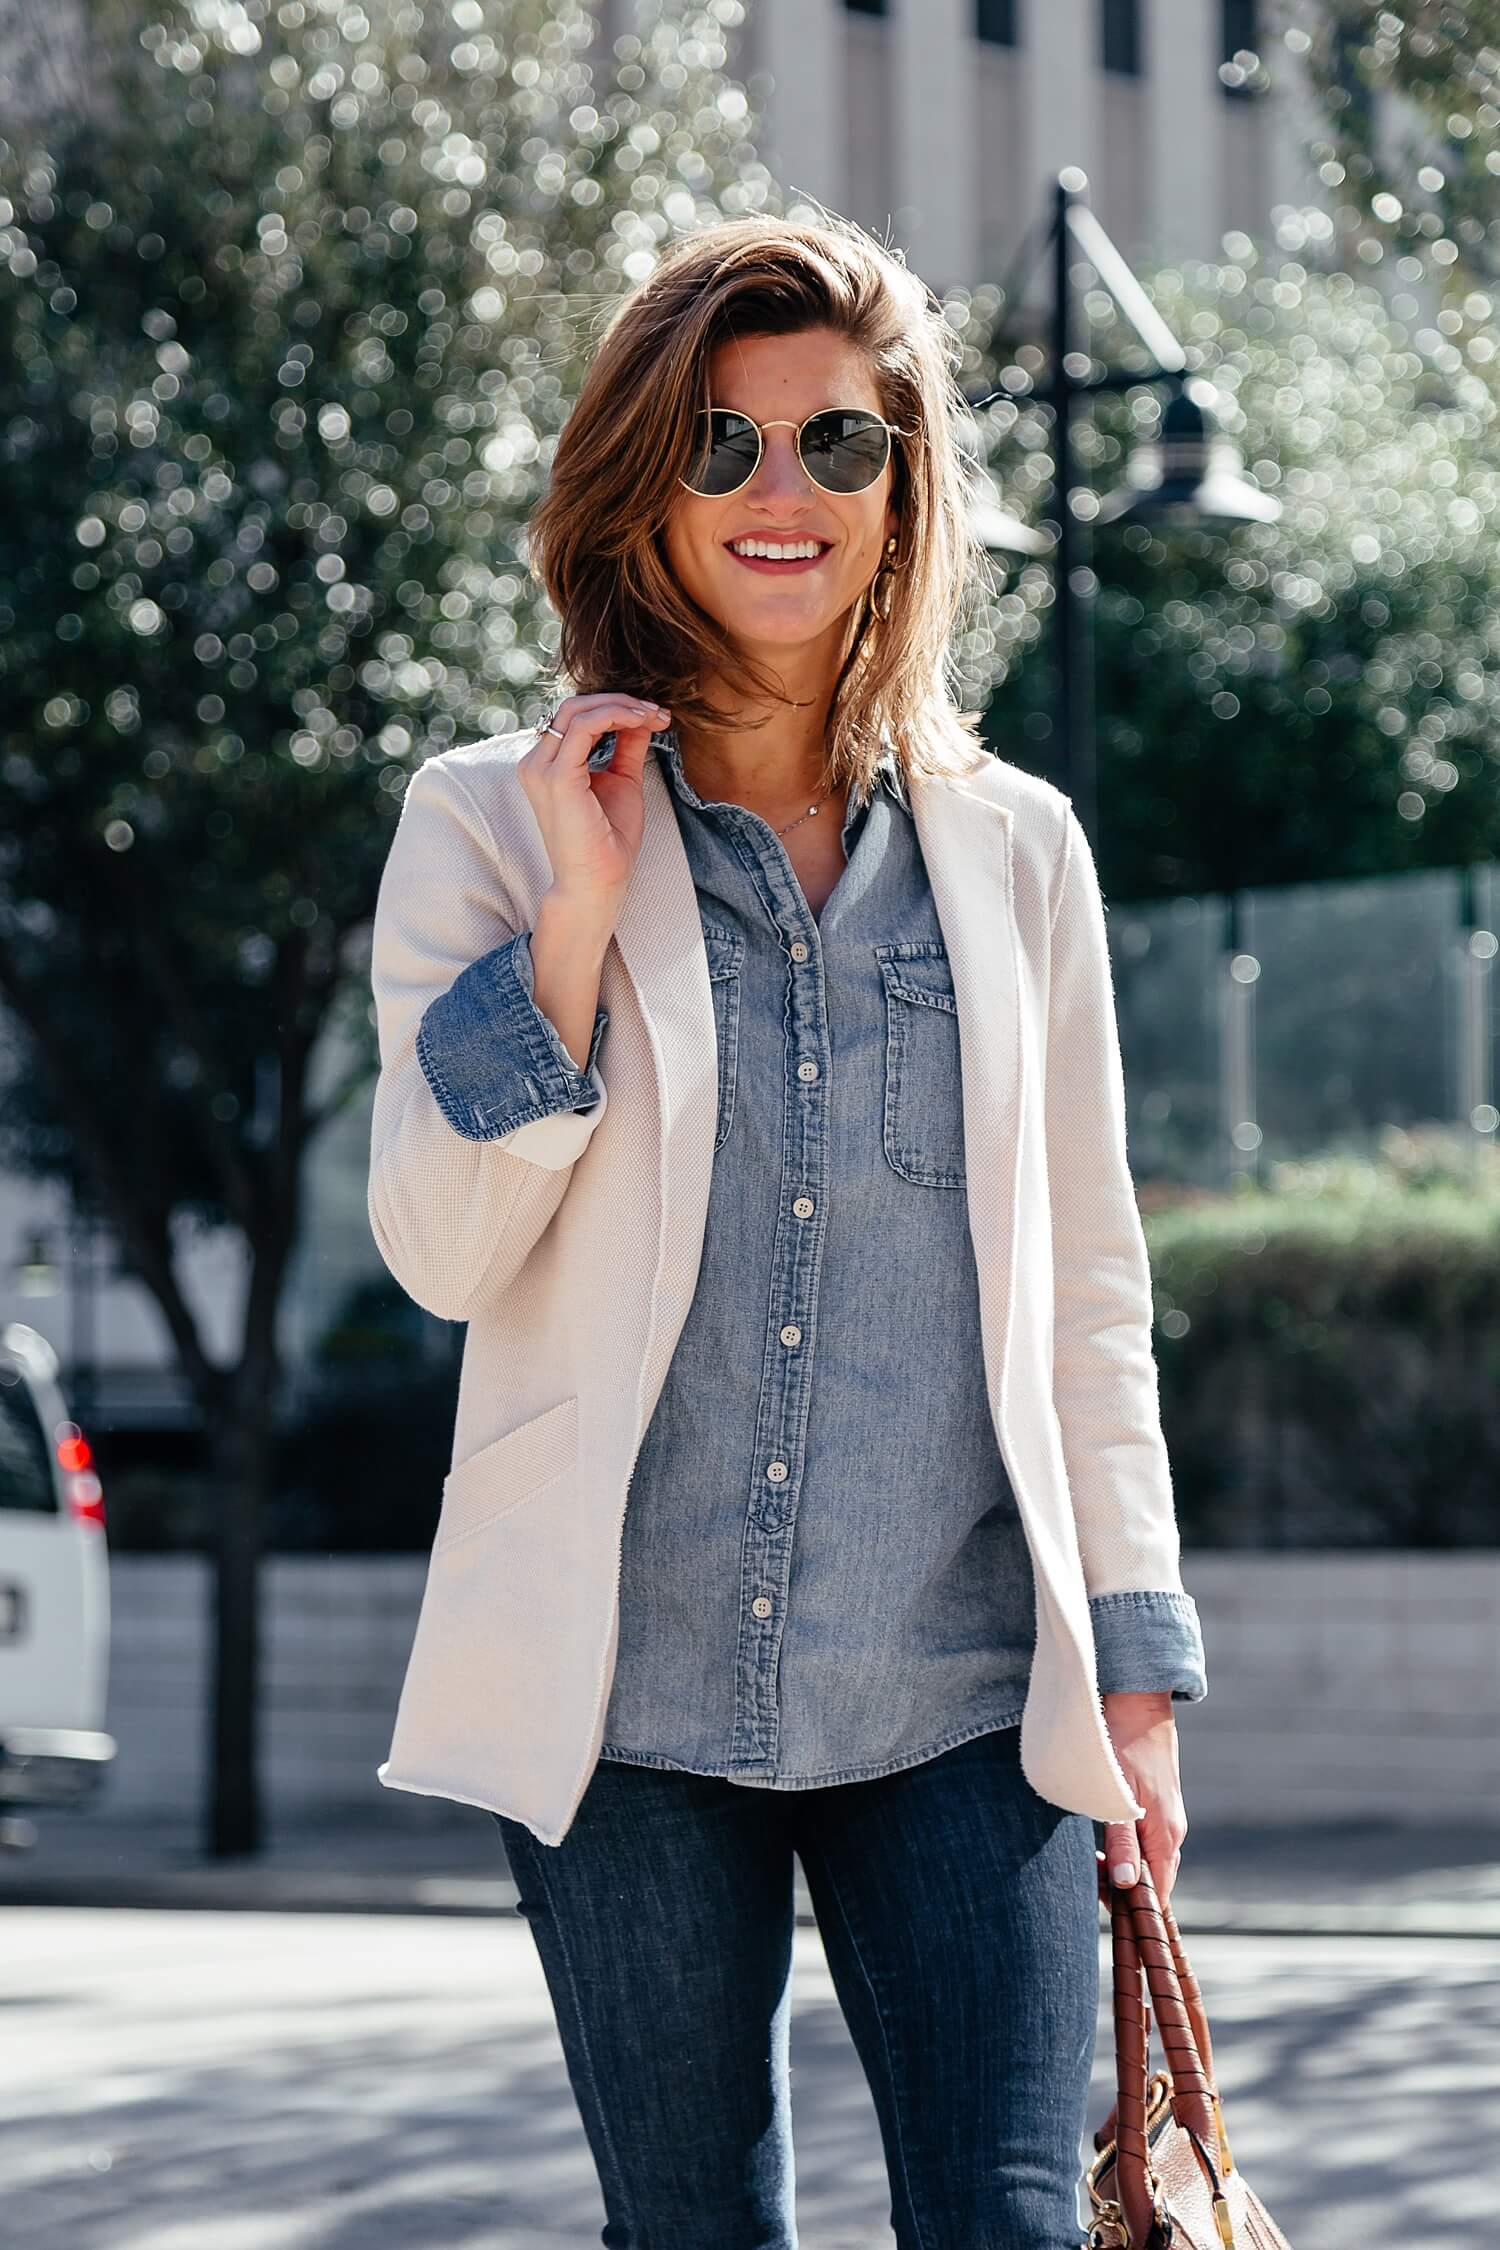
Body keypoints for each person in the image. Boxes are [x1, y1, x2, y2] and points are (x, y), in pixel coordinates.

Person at [366, 209, 1208, 2250]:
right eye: (723, 445)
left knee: (1010, 2225)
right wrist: (575, 912)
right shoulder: (488, 816)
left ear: (903, 486)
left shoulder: (1020, 853)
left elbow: (1092, 1281)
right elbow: (443, 1253)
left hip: (961, 1699)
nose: (781, 495)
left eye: (839, 444)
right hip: (625, 1704)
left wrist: (1140, 1662)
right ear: (643, 489)